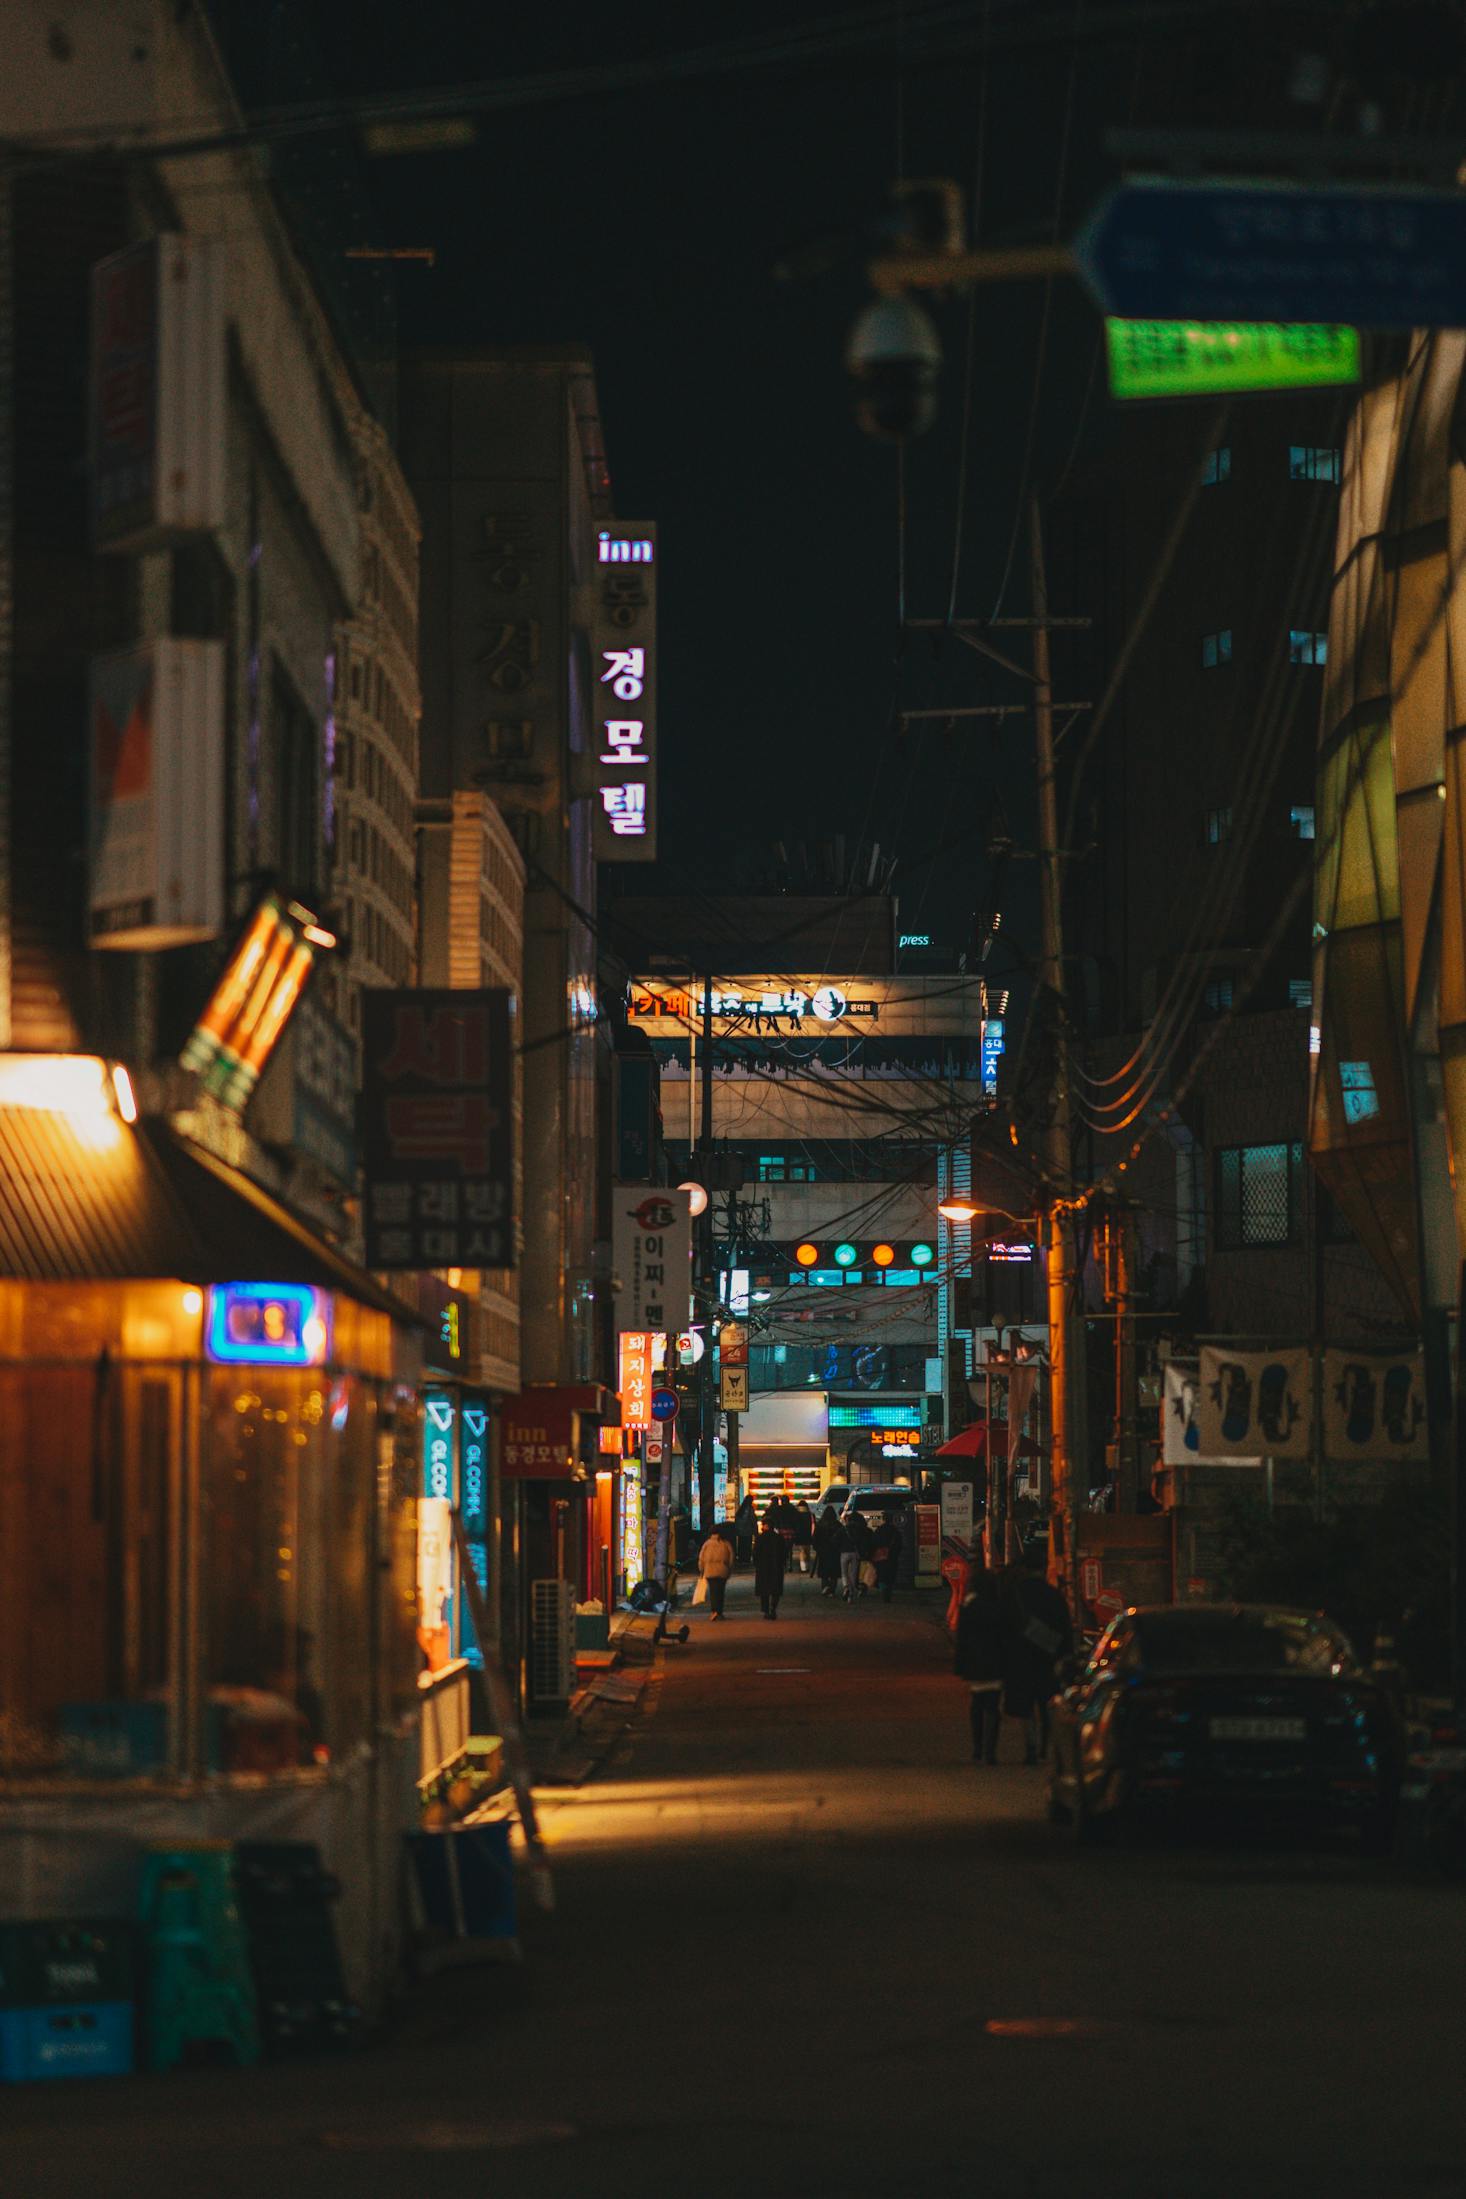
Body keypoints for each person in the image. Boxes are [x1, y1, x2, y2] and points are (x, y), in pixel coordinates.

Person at [1003, 1549, 1075, 1764]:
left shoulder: (1014, 1594)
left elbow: (1005, 1626)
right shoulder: (1054, 1596)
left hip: (1020, 1656)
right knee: (1048, 1704)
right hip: (1049, 1657)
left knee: (1025, 1706)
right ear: (1044, 1570)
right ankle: (1049, 1748)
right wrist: (1065, 1657)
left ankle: (1031, 1747)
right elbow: (1065, 1629)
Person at [954, 1563, 1007, 1764]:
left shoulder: (969, 1607)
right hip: (995, 1662)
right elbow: (1006, 1636)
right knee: (993, 1706)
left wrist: (960, 1664)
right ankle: (990, 1750)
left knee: (977, 1704)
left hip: (975, 1663)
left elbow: (962, 1639)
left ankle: (977, 1748)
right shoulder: (999, 1607)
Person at [696, 1519, 735, 1620]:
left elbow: (701, 1558)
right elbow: (731, 1558)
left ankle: (714, 1611)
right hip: (723, 1570)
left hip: (710, 1571)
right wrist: (729, 1569)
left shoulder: (706, 1544)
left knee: (713, 1592)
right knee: (721, 1592)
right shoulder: (726, 1544)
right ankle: (720, 1612)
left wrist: (701, 1570)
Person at [753, 1510, 788, 1620]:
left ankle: (766, 1610)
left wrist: (756, 1563)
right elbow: (784, 1552)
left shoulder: (760, 1538)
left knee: (764, 1590)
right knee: (775, 1589)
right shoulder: (778, 1538)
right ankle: (773, 1608)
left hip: (763, 1567)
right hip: (776, 1566)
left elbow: (755, 1553)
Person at [871, 1513, 903, 1604]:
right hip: (892, 1556)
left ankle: (883, 1590)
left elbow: (873, 1542)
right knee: (891, 1575)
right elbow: (899, 1544)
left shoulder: (879, 1530)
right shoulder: (895, 1531)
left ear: (883, 1519)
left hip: (880, 1556)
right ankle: (889, 1591)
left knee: (881, 1575)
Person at [813, 1504, 842, 1597]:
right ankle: (832, 1590)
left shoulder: (820, 1525)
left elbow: (815, 1538)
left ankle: (825, 1587)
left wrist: (817, 1547)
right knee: (834, 1573)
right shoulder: (837, 1525)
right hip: (835, 1551)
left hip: (823, 1551)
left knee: (824, 1572)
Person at [734, 1492, 758, 1565]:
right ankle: (746, 1558)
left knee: (741, 1544)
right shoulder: (750, 1509)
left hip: (740, 1531)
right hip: (747, 1530)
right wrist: (755, 1530)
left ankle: (741, 1558)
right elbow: (753, 1520)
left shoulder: (741, 1508)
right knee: (747, 1545)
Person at [792, 1498, 815, 1574]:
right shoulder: (810, 1514)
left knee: (801, 1551)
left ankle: (803, 1568)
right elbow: (813, 1525)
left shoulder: (796, 1514)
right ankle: (807, 1566)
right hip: (808, 1534)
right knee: (807, 1551)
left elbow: (794, 1525)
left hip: (799, 1534)